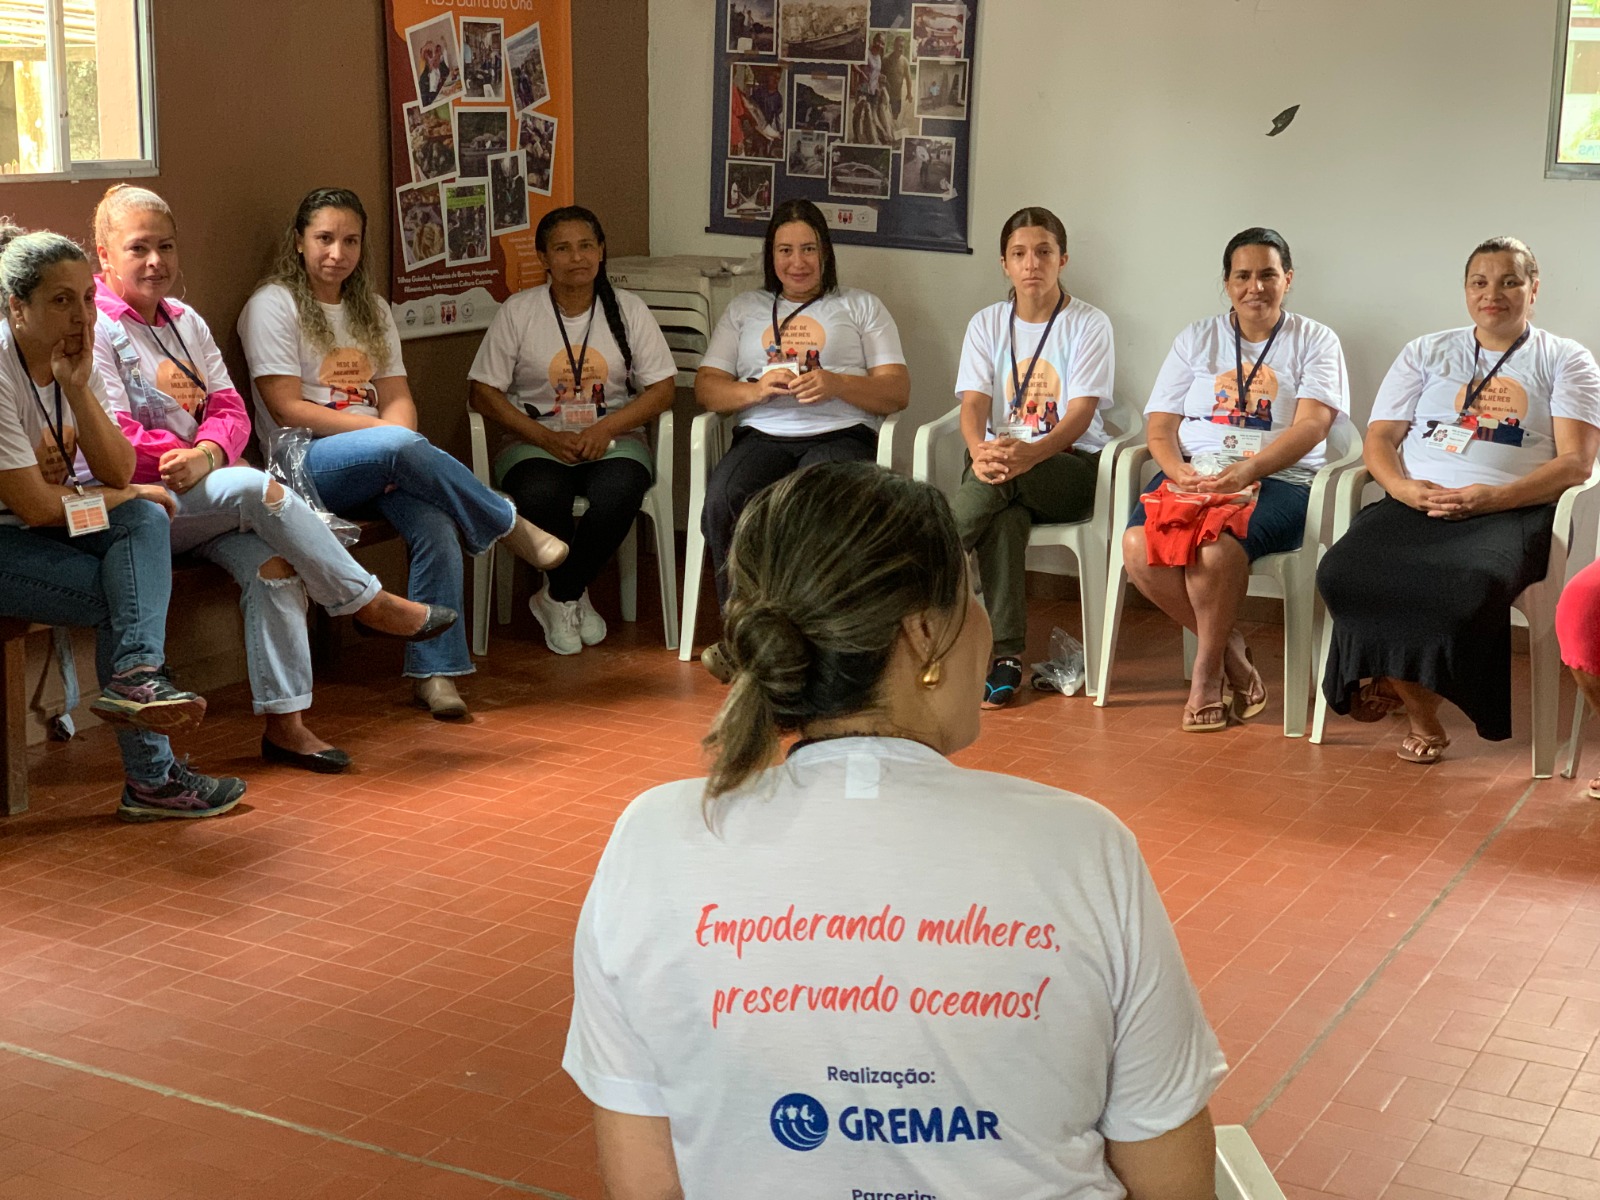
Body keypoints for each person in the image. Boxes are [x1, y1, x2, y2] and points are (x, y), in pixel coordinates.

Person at [563, 461, 1225, 1199]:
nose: (985, 621)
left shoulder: (654, 840)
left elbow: (644, 1185)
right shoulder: (1083, 848)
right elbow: (1174, 1182)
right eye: (972, 594)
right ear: (925, 636)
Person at [92, 186, 454, 774]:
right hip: (143, 501)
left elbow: (231, 407)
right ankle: (364, 601)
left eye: (166, 246)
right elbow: (117, 438)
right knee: (257, 488)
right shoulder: (97, 326)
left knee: (275, 564)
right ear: (105, 255)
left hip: (204, 486)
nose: (156, 260)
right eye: (139, 248)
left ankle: (287, 726)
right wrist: (198, 460)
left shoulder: (185, 322)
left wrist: (209, 451)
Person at [239, 187, 567, 721]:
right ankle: (505, 522)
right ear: (299, 242)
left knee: (435, 522)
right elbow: (285, 408)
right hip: (308, 465)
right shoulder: (272, 305)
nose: (336, 253)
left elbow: (397, 400)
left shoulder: (371, 309)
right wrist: (384, 444)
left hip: (383, 460)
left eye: (350, 241)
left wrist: (394, 453)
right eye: (323, 238)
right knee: (396, 444)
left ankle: (435, 674)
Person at [1321, 237, 1600, 764]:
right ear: (1466, 290)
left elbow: (1576, 463)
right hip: (1418, 501)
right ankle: (1412, 699)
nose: (1493, 293)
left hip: (1514, 508)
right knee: (1342, 572)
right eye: (1480, 282)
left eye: (1509, 281)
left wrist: (1492, 498)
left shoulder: (1565, 359)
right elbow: (1379, 438)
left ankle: (1414, 698)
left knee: (1465, 585)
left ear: (1533, 291)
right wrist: (1402, 489)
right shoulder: (1426, 351)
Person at [0, 222, 245, 821]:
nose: (83, 316)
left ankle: (136, 676)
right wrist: (125, 493)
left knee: (141, 516)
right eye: (61, 301)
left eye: (86, 297)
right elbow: (32, 506)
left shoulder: (73, 359)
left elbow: (111, 471)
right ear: (17, 307)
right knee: (125, 581)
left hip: (51, 521)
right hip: (7, 538)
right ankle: (152, 778)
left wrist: (79, 392)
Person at [1122, 227, 1348, 733]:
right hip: (1195, 477)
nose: (1255, 287)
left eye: (1268, 275)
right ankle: (1231, 652)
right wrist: (1176, 468)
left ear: (1287, 279)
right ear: (1226, 283)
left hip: (1280, 481)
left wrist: (1247, 470)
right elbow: (1159, 424)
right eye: (1242, 276)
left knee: (1216, 552)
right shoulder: (1196, 338)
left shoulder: (1314, 340)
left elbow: (1313, 425)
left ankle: (1206, 674)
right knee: (1137, 545)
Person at [694, 198, 910, 675]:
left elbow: (897, 391)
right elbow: (707, 388)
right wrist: (753, 391)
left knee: (815, 506)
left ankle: (818, 642)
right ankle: (742, 635)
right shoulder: (744, 308)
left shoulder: (860, 306)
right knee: (724, 498)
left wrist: (836, 382)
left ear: (826, 253)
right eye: (785, 250)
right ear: (771, 257)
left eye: (809, 249)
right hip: (763, 434)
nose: (797, 262)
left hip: (841, 433)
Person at [468, 206, 676, 654]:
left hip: (615, 437)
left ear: (601, 252)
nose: (576, 257)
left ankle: (558, 593)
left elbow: (661, 391)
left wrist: (606, 429)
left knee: (620, 492)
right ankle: (572, 594)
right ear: (543, 258)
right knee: (543, 494)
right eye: (562, 248)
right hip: (535, 440)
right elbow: (482, 392)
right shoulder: (519, 311)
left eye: (586, 246)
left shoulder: (629, 309)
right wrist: (543, 437)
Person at [951, 207, 1115, 707]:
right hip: (1001, 465)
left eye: (1043, 252)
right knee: (1004, 515)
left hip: (1068, 466)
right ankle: (1005, 660)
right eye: (1019, 254)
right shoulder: (986, 323)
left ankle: (917, 556)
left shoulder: (1088, 323)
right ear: (1004, 263)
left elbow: (1081, 415)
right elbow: (973, 405)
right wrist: (980, 450)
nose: (1031, 264)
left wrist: (1029, 455)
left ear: (1062, 258)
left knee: (1003, 483)